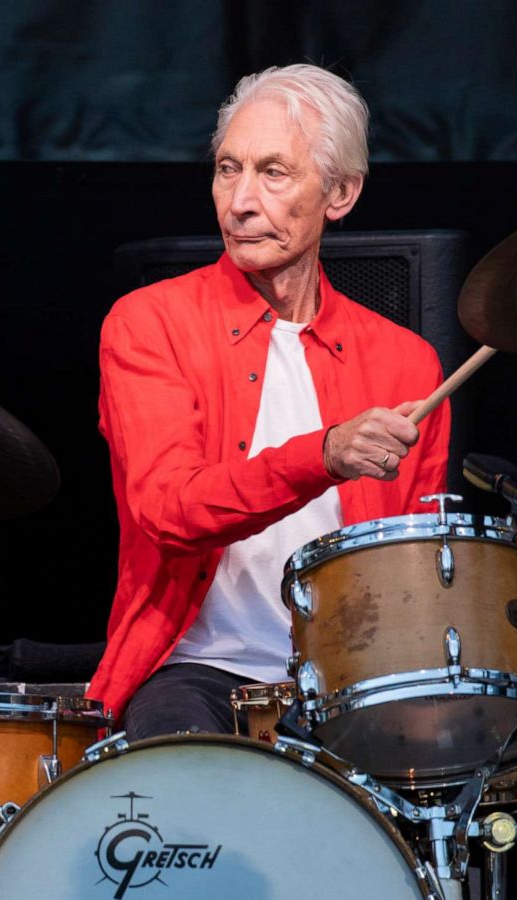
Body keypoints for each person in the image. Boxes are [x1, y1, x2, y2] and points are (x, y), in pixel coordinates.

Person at [86, 63, 451, 737]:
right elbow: (169, 510)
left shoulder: (406, 362)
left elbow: (416, 563)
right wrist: (325, 454)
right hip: (196, 669)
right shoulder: (149, 323)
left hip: (352, 681)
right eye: (229, 169)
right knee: (182, 773)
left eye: (273, 173)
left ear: (339, 193)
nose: (240, 201)